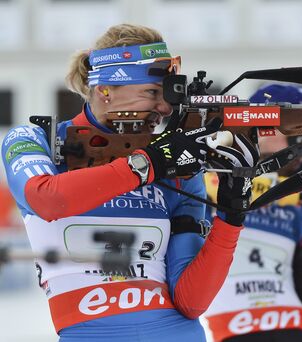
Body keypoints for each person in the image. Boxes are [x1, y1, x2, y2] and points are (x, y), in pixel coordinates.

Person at [1, 24, 258, 341]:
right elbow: (48, 200)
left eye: (165, 96)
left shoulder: (177, 168)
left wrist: (232, 213)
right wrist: (148, 164)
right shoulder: (35, 139)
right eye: (151, 92)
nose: (164, 108)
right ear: (105, 90)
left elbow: (191, 302)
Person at [203, 84, 302, 342]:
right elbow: (226, 186)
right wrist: (298, 193)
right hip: (237, 329)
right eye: (295, 129)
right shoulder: (216, 169)